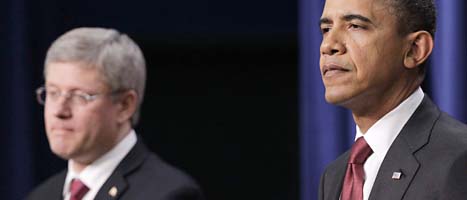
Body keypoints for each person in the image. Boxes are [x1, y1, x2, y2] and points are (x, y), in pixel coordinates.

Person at [27, 27, 204, 200]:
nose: (59, 111)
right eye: (53, 93)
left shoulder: (171, 194)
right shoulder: (41, 195)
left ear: (125, 106)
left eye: (80, 96)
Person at [317, 0, 467, 200]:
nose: (328, 46)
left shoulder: (459, 158)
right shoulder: (334, 176)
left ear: (415, 49)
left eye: (355, 26)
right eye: (326, 29)